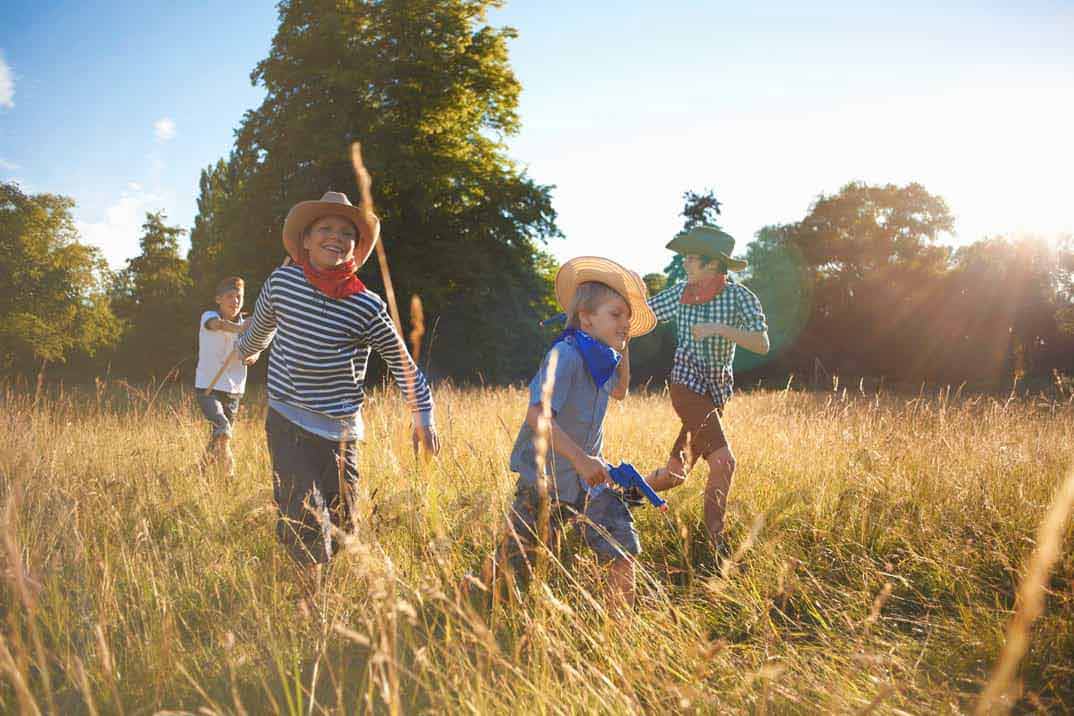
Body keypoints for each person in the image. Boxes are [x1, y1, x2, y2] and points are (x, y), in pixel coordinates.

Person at [236, 177, 439, 598]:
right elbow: (261, 328)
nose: (338, 238)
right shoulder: (281, 283)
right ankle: (313, 604)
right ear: (305, 241)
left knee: (343, 522)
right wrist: (246, 350)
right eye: (326, 229)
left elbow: (403, 364)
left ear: (357, 249)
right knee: (305, 515)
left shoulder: (365, 305)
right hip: (288, 418)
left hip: (342, 432)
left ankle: (329, 580)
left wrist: (423, 417)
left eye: (348, 234)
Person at [492, 256, 657, 612]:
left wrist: (623, 345)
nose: (625, 323)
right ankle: (476, 605)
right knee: (512, 571)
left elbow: (621, 390)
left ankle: (620, 631)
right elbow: (537, 415)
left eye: (628, 318)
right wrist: (580, 459)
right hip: (545, 481)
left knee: (622, 548)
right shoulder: (564, 355)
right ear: (586, 318)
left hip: (588, 481)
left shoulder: (602, 359)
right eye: (616, 315)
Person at [645, 226, 769, 557]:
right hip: (686, 383)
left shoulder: (741, 297)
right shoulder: (679, 293)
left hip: (715, 391)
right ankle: (717, 545)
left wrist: (718, 328)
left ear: (713, 264)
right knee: (724, 461)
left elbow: (761, 343)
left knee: (675, 474)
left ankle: (618, 496)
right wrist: (597, 310)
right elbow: (642, 315)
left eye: (691, 257)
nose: (684, 261)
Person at [193, 276, 259, 476]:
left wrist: (252, 355)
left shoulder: (247, 326)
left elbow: (255, 350)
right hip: (208, 387)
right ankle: (229, 476)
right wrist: (240, 329)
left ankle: (200, 472)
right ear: (218, 299)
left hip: (234, 391)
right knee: (223, 429)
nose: (235, 301)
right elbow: (217, 325)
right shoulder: (209, 316)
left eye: (239, 296)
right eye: (230, 296)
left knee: (219, 439)